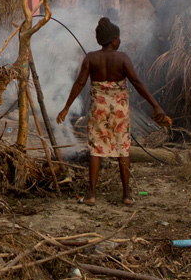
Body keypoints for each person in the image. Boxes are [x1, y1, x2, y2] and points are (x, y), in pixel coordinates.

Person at [56, 16, 171, 205]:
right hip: (119, 112)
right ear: (112, 40)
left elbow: (79, 83)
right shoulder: (122, 58)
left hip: (98, 110)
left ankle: (91, 195)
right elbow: (137, 83)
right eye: (118, 38)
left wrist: (66, 107)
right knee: (122, 150)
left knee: (96, 150)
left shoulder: (91, 58)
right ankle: (126, 195)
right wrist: (155, 105)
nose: (120, 41)